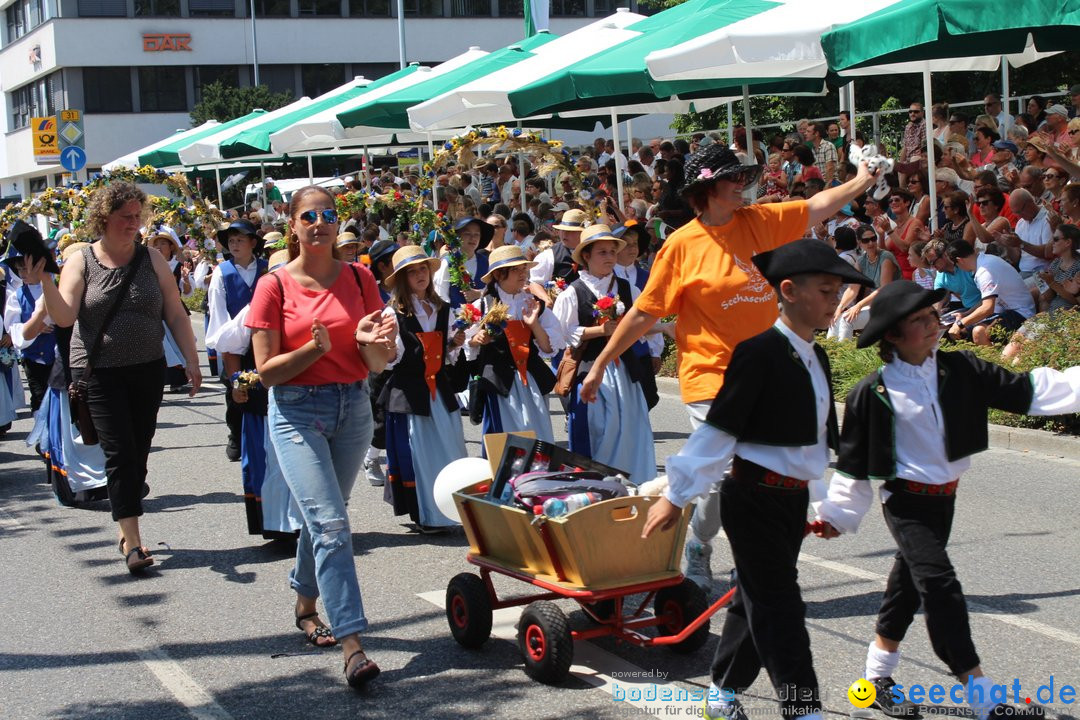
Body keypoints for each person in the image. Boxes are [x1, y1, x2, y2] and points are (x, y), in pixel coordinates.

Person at [580, 143, 883, 588]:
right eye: (733, 179)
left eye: (743, 177)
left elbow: (817, 206)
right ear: (707, 188)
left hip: (766, 373)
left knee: (767, 474)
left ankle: (761, 560)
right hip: (710, 374)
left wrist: (862, 180)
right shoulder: (681, 247)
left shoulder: (758, 222)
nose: (743, 185)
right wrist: (601, 364)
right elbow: (645, 313)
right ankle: (700, 546)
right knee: (727, 471)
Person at [815, 280, 1079, 720]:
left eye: (932, 315)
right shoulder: (873, 392)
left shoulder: (960, 371)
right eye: (918, 321)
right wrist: (836, 516)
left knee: (906, 589)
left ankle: (876, 678)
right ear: (893, 336)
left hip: (946, 500)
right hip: (905, 503)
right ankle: (983, 697)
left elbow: (1031, 390)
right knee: (940, 587)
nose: (933, 325)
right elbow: (854, 466)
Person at [643, 239, 874, 720]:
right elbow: (719, 430)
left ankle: (722, 693)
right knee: (783, 608)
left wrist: (823, 505)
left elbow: (810, 445)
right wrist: (677, 494)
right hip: (753, 500)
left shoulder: (816, 356)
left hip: (788, 504)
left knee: (755, 599)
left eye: (839, 291)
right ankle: (803, 709)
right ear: (788, 291)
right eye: (827, 289)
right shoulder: (759, 352)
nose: (837, 300)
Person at [247, 185, 394, 689]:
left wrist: (376, 345)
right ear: (293, 225)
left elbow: (377, 361)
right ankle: (353, 646)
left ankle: (305, 601)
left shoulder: (361, 277)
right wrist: (314, 349)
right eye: (308, 215)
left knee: (324, 516)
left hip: (352, 406)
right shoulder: (273, 286)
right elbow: (266, 372)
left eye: (328, 214)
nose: (319, 223)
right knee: (331, 522)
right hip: (295, 412)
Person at [36, 181, 202, 574]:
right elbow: (63, 317)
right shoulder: (82, 260)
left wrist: (193, 361)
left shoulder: (151, 260)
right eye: (125, 217)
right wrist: (44, 280)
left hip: (147, 367)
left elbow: (176, 314)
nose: (133, 224)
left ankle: (127, 526)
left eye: (137, 216)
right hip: (98, 372)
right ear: (104, 217)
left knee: (139, 447)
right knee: (119, 451)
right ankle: (134, 541)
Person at [553, 224, 655, 482]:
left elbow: (642, 324)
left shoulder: (627, 288)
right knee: (598, 428)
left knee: (632, 426)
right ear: (586, 256)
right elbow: (563, 333)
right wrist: (598, 331)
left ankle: (634, 484)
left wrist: (663, 328)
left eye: (612, 251)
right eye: (602, 252)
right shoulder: (573, 292)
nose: (609, 256)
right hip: (591, 369)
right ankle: (597, 487)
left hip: (626, 371)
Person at [380, 245, 468, 533]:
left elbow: (448, 352)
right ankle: (430, 514)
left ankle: (454, 510)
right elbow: (390, 361)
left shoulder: (443, 308)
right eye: (412, 271)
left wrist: (455, 343)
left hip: (439, 390)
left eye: (423, 269)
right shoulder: (393, 314)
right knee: (422, 454)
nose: (420, 275)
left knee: (451, 446)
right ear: (402, 279)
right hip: (411, 393)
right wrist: (390, 345)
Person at [466, 245, 561, 442]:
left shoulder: (533, 304)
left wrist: (534, 324)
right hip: (500, 383)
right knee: (506, 439)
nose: (523, 274)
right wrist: (477, 339)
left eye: (524, 269)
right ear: (499, 275)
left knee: (538, 435)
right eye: (516, 270)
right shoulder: (482, 305)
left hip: (531, 380)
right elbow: (467, 343)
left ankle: (536, 472)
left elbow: (548, 347)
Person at [206, 220, 267, 463]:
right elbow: (219, 312)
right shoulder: (223, 272)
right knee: (238, 387)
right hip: (234, 343)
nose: (234, 244)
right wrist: (226, 344)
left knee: (261, 386)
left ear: (253, 243)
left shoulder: (266, 269)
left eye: (240, 239)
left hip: (263, 338)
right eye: (231, 240)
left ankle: (260, 435)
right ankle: (236, 432)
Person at [2, 222, 59, 414]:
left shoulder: (58, 287)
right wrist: (35, 328)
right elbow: (15, 329)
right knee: (40, 399)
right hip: (33, 358)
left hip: (59, 356)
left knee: (62, 401)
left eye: (27, 267)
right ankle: (43, 441)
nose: (24, 273)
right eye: (20, 269)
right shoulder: (16, 295)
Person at [946, 240, 1036, 345]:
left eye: (955, 265)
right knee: (965, 331)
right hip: (1008, 310)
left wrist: (959, 324)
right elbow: (986, 300)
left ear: (959, 260)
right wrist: (966, 314)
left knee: (978, 332)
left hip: (1021, 313)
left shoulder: (984, 271)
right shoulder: (984, 261)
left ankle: (993, 361)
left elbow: (987, 308)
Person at [832, 225, 899, 340]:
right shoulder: (861, 261)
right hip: (875, 305)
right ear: (859, 243)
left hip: (891, 305)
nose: (871, 243)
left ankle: (844, 355)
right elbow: (853, 288)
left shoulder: (886, 257)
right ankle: (831, 354)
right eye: (866, 240)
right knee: (835, 318)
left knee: (846, 320)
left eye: (873, 238)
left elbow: (883, 289)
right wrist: (840, 306)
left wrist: (859, 305)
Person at [433, 217, 492, 306]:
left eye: (477, 234)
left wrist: (479, 294)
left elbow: (495, 292)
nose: (473, 238)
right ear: (457, 237)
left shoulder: (486, 262)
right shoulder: (447, 263)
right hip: (454, 317)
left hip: (483, 317)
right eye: (467, 234)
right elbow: (440, 295)